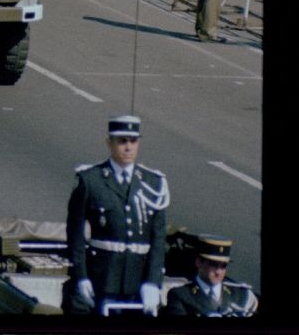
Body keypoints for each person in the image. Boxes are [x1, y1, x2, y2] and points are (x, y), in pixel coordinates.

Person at [65, 114, 169, 315]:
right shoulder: (90, 180)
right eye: (122, 141)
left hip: (138, 280)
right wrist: (81, 276)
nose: (128, 147)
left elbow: (158, 239)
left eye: (133, 141)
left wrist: (153, 282)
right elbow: (75, 234)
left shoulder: (153, 183)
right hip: (103, 277)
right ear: (109, 143)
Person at [163, 235, 258, 317]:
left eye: (223, 266)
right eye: (214, 265)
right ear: (199, 262)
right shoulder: (181, 295)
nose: (218, 272)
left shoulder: (240, 295)